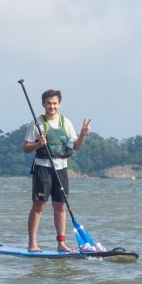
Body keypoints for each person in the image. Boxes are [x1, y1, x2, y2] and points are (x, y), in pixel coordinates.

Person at [23, 88, 91, 252]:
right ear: (43, 104)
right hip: (43, 168)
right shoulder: (36, 123)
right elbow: (26, 148)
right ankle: (32, 243)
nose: (51, 107)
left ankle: (61, 243)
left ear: (59, 105)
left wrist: (82, 135)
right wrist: (38, 144)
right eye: (48, 103)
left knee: (60, 206)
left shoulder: (66, 123)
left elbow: (76, 146)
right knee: (39, 206)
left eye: (54, 104)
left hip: (61, 169)